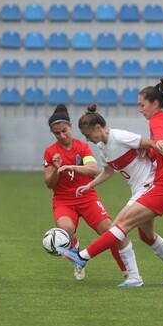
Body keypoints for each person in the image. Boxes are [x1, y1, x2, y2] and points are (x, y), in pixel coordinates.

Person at [58, 76, 163, 287]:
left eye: (142, 105)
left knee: (119, 226)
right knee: (162, 237)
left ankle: (87, 258)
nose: (140, 109)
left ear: (154, 104)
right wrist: (90, 185)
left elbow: (158, 142)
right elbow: (131, 159)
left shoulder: (153, 122)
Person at [76, 104, 163, 286]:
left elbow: (154, 144)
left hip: (148, 185)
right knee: (147, 235)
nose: (88, 139)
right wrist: (89, 185)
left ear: (98, 128)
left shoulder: (119, 136)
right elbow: (108, 172)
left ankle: (134, 277)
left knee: (116, 229)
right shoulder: (102, 146)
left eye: (88, 135)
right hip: (138, 189)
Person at [43, 104, 126, 282]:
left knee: (109, 231)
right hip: (63, 200)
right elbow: (49, 184)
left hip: (86, 197)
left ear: (70, 127)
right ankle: (76, 252)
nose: (62, 136)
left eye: (64, 130)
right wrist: (56, 170)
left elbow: (92, 169)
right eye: (57, 133)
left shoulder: (82, 147)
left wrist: (72, 167)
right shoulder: (50, 152)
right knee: (65, 229)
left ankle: (127, 273)